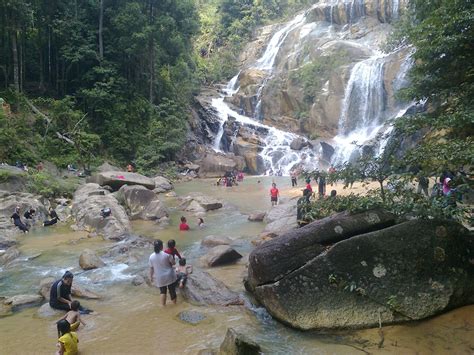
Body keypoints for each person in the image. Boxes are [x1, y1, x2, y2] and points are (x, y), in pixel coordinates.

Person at [149, 239, 178, 306]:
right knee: (172, 291)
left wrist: (151, 277)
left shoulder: (151, 257)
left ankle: (163, 306)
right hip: (169, 276)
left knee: (162, 291)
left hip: (160, 277)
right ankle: (174, 306)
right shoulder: (167, 255)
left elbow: (151, 268)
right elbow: (173, 263)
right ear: (161, 246)